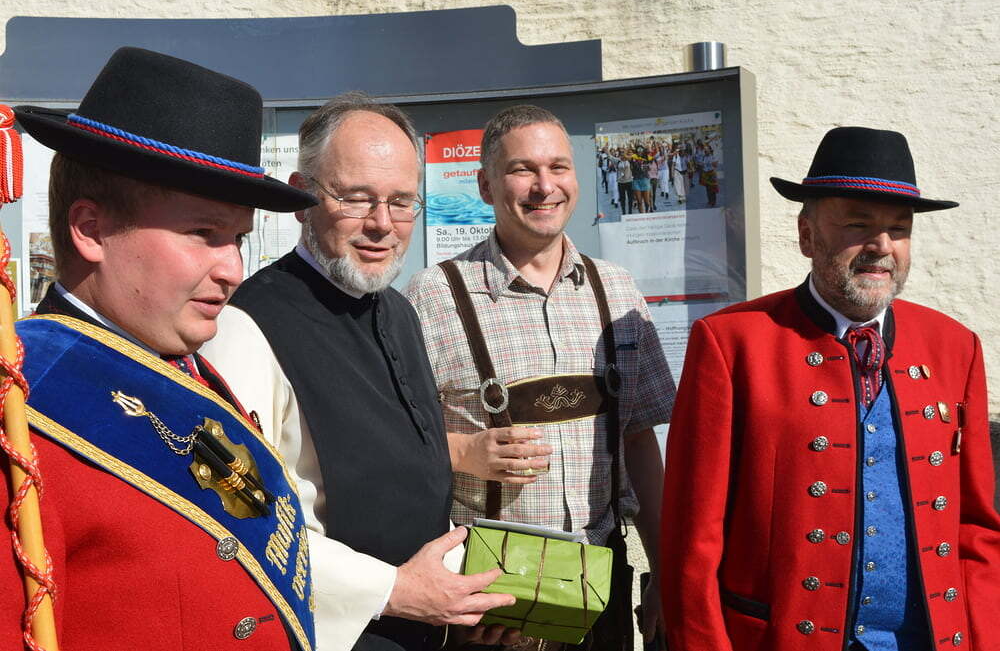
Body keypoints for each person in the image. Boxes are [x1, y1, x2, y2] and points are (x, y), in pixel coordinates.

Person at [0, 47, 320, 650]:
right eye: (203, 233)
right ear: (91, 230)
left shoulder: (191, 372)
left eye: (237, 239)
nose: (232, 270)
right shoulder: (19, 407)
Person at [660, 126, 1000, 651]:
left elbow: (975, 528)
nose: (882, 246)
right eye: (858, 225)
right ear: (807, 235)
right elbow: (692, 536)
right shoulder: (731, 343)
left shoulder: (955, 347)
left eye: (899, 229)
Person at [200, 93, 515, 651]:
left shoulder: (399, 311)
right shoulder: (244, 326)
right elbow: (242, 519)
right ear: (301, 196)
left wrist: (461, 590)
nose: (382, 224)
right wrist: (396, 591)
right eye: (357, 198)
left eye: (401, 202)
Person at [405, 105, 675, 650]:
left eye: (558, 167)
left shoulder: (617, 291)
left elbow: (639, 440)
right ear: (485, 185)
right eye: (522, 169)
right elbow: (396, 443)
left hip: (601, 587)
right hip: (487, 602)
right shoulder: (432, 296)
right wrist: (465, 451)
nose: (544, 186)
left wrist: (666, 572)